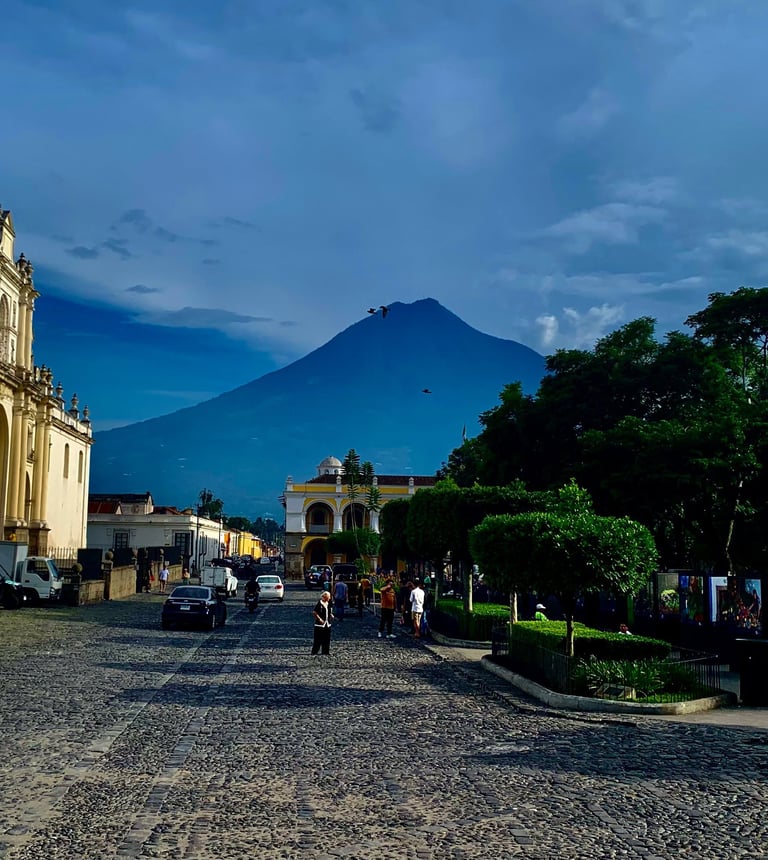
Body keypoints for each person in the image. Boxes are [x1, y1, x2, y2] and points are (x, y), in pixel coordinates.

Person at [311, 591, 334, 656]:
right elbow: (314, 612)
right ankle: (314, 651)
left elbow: (330, 611)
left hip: (327, 624)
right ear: (324, 597)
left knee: (327, 638)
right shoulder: (320, 604)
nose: (329, 598)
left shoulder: (329, 603)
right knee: (318, 638)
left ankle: (326, 651)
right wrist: (320, 619)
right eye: (328, 597)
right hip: (319, 625)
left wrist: (331, 615)